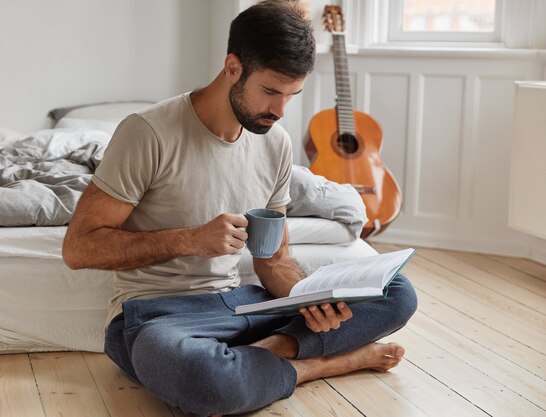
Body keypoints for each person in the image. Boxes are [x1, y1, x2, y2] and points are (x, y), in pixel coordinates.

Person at [63, 1, 417, 416]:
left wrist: (309, 301)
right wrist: (189, 240)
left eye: (292, 95)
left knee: (397, 291)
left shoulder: (276, 142)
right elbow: (79, 248)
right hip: (159, 315)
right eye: (270, 91)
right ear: (232, 66)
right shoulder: (148, 133)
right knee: (206, 382)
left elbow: (274, 260)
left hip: (242, 305)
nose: (280, 111)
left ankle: (272, 353)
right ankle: (316, 365)